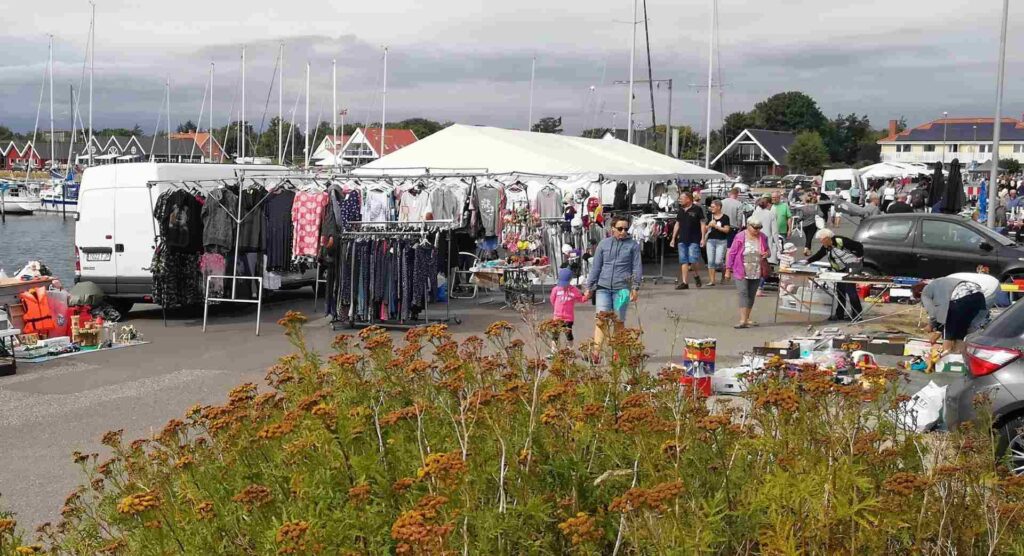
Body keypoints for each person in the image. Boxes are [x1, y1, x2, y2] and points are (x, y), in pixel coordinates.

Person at [584, 216, 642, 354]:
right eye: (620, 228)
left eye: (626, 229)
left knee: (618, 321)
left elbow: (637, 268)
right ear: (612, 229)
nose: (623, 232)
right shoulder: (603, 244)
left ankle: (618, 352)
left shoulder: (633, 245)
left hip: (622, 289)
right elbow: (596, 267)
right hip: (603, 288)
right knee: (601, 321)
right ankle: (596, 353)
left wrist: (635, 287)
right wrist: (589, 287)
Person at [914, 276, 990, 353]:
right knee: (961, 330)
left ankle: (945, 357)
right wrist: (938, 329)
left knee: (948, 333)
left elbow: (935, 314)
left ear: (920, 293)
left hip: (961, 297)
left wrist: (931, 325)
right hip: (979, 297)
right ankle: (957, 357)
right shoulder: (938, 285)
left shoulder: (927, 292)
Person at [805, 228, 864, 321]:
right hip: (840, 269)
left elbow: (858, 246)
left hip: (851, 267)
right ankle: (839, 314)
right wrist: (807, 261)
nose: (821, 242)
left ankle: (857, 315)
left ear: (827, 238)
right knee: (840, 291)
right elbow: (819, 254)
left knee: (850, 290)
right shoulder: (826, 245)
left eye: (821, 240)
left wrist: (859, 258)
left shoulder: (840, 240)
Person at [724, 217, 769, 329]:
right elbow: (732, 253)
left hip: (756, 269)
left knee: (751, 295)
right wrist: (728, 269)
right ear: (748, 226)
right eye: (755, 228)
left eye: (759, 228)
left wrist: (767, 253)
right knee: (743, 293)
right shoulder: (740, 236)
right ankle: (743, 320)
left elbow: (768, 251)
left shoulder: (763, 237)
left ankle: (747, 318)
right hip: (741, 268)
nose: (757, 230)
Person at [669, 191, 707, 290]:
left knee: (693, 260)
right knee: (683, 261)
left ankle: (696, 275)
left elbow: (702, 223)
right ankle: (685, 283)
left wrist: (703, 237)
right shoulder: (681, 210)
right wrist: (673, 238)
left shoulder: (697, 209)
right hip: (682, 239)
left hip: (694, 239)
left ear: (688, 199)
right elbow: (677, 224)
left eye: (682, 198)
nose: (680, 200)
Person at [549, 267, 584, 348]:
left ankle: (569, 349)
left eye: (565, 283)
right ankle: (554, 351)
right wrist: (556, 308)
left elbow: (580, 299)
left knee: (568, 334)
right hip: (557, 317)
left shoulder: (574, 290)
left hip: (568, 318)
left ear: (570, 280)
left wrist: (587, 296)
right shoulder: (556, 289)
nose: (563, 286)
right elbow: (552, 299)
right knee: (555, 334)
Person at [703, 199, 731, 286]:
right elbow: (704, 229)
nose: (711, 208)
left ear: (718, 207)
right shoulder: (709, 216)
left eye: (713, 207)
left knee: (718, 262)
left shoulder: (725, 217)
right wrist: (708, 226)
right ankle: (712, 280)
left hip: (721, 241)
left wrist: (716, 226)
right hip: (710, 241)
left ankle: (724, 272)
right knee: (711, 261)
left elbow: (727, 230)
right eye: (711, 207)